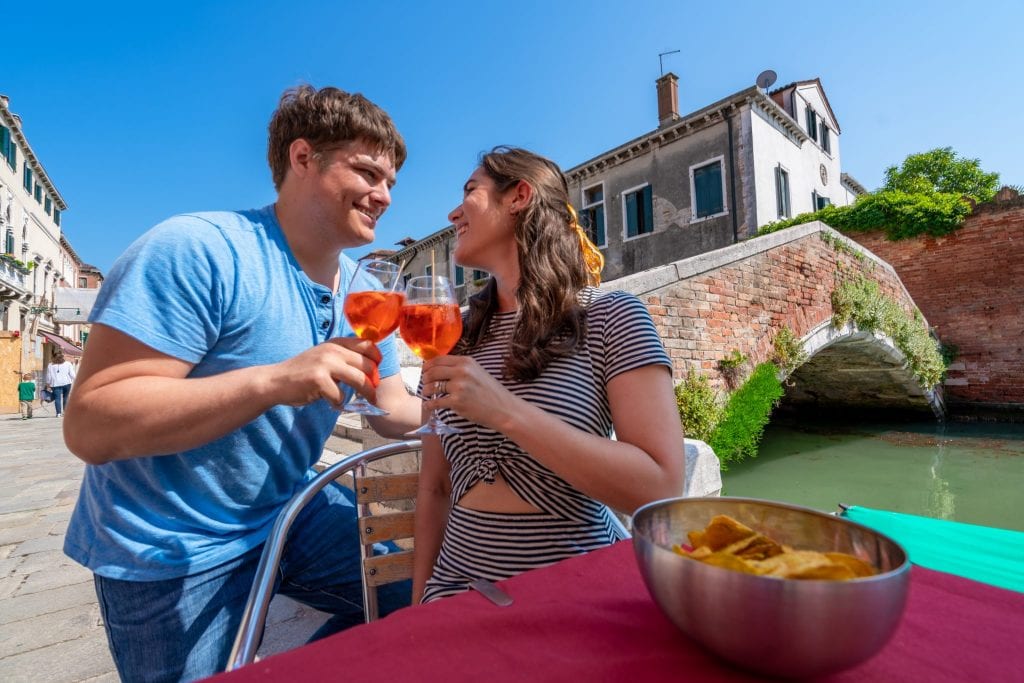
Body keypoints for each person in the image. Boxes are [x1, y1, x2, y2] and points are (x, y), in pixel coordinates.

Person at [62, 85, 422, 682]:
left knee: (426, 595)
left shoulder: (367, 288)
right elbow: (92, 424)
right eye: (367, 171)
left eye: (391, 182)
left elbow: (388, 409)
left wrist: (476, 409)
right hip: (169, 544)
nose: (384, 195)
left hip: (290, 508)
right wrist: (274, 381)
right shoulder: (198, 249)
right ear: (302, 157)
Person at [412, 147, 685, 603]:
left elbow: (660, 486)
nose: (453, 211)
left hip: (578, 593)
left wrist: (505, 412)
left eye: (470, 192)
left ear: (519, 196)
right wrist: (418, 605)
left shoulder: (611, 317)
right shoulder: (452, 333)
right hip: (455, 593)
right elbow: (434, 486)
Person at [45, 349, 76, 417]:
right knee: (65, 397)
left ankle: (58, 413)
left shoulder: (50, 365)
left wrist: (48, 384)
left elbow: (48, 376)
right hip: (67, 383)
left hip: (55, 384)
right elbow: (72, 374)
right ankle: (65, 412)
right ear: (62, 357)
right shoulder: (68, 364)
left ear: (53, 357)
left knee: (57, 398)